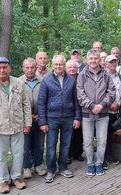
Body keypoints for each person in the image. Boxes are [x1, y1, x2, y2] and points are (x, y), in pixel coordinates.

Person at [0, 57, 32, 194]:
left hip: (17, 126)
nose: (2, 70)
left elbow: (26, 105)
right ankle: (3, 181)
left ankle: (17, 178)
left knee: (18, 154)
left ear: (9, 68)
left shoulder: (19, 83)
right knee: (0, 156)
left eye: (4, 67)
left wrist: (27, 123)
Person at [38, 55, 82, 183]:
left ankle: (63, 167)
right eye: (56, 64)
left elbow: (76, 101)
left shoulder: (72, 80)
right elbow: (42, 103)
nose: (58, 66)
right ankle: (51, 170)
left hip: (68, 117)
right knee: (51, 145)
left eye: (60, 64)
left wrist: (77, 117)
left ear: (64, 66)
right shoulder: (46, 80)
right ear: (52, 65)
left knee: (66, 144)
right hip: (52, 118)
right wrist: (43, 121)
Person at [77, 49, 115, 176]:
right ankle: (90, 163)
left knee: (101, 140)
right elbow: (80, 94)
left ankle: (99, 163)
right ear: (87, 60)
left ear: (99, 60)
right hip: (87, 114)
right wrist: (92, 106)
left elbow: (112, 92)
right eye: (91, 58)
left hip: (103, 114)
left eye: (95, 58)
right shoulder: (82, 75)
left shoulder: (106, 75)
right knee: (87, 141)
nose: (93, 61)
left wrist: (102, 105)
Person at [19, 58, 46, 179]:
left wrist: (41, 115)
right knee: (25, 145)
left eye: (32, 67)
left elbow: (47, 100)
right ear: (23, 68)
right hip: (24, 120)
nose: (29, 70)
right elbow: (15, 103)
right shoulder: (18, 82)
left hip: (40, 118)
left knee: (39, 144)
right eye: (27, 67)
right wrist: (28, 116)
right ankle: (26, 167)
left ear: (36, 68)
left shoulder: (43, 81)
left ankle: (38, 164)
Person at [104, 55, 121, 168]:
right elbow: (101, 93)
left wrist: (119, 102)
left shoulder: (120, 77)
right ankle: (104, 157)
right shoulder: (103, 77)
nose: (112, 64)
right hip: (105, 110)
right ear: (106, 64)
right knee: (104, 135)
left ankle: (110, 154)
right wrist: (109, 104)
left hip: (117, 110)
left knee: (112, 133)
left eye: (114, 62)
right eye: (110, 62)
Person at [65, 59, 84, 163]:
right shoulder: (64, 79)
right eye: (70, 67)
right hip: (68, 111)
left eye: (74, 67)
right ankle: (68, 154)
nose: (72, 69)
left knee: (79, 133)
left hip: (81, 109)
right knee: (69, 134)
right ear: (66, 69)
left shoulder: (81, 78)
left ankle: (78, 153)